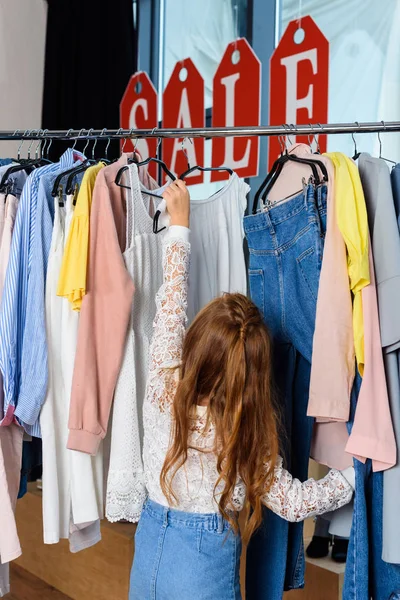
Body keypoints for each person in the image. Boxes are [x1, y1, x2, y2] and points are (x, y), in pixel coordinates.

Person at [129, 180, 355, 600]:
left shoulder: (165, 380)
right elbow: (294, 503)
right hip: (203, 571)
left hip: (150, 555)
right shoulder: (243, 435)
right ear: (253, 378)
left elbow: (171, 301)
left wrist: (179, 225)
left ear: (196, 344)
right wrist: (356, 471)